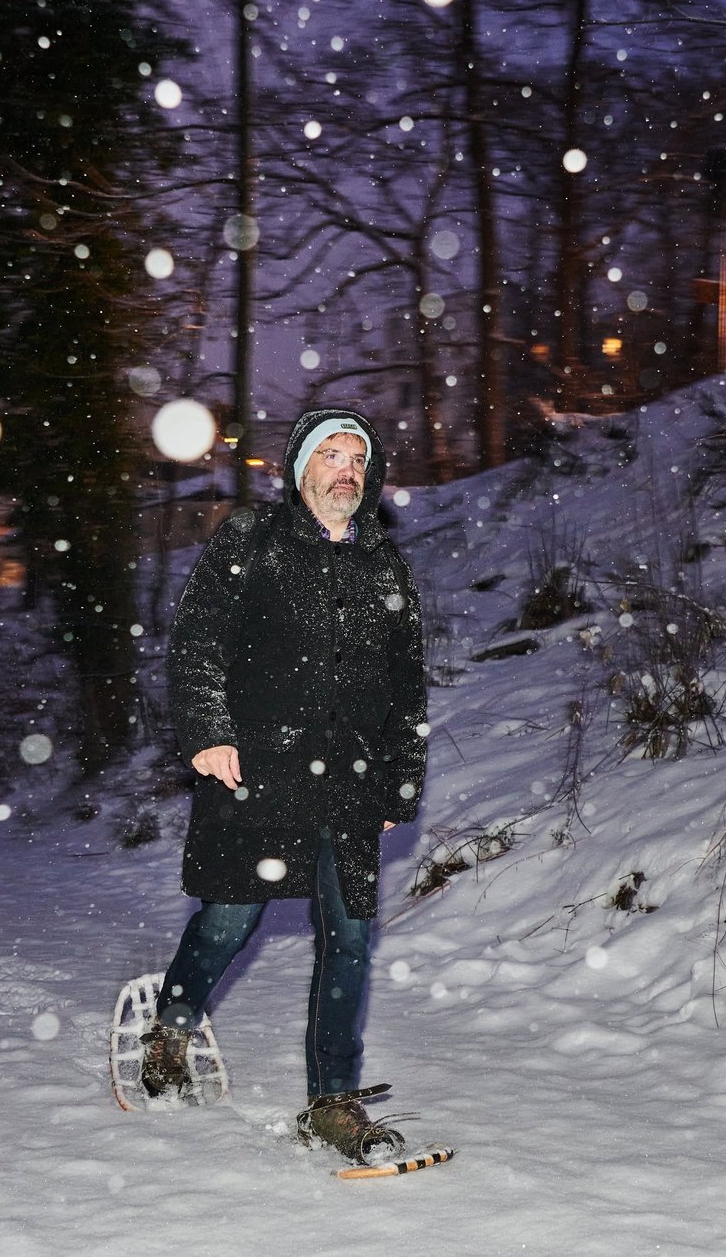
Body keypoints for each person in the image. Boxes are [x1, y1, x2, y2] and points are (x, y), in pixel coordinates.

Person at [146, 407, 428, 1163]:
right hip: (258, 775)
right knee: (230, 921)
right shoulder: (251, 542)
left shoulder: (384, 565)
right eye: (330, 454)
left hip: (353, 783)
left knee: (350, 937)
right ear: (301, 467)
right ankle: (171, 1027)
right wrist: (208, 728)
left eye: (357, 459)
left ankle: (333, 1100)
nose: (346, 470)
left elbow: (408, 686)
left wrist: (402, 783)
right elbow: (197, 641)